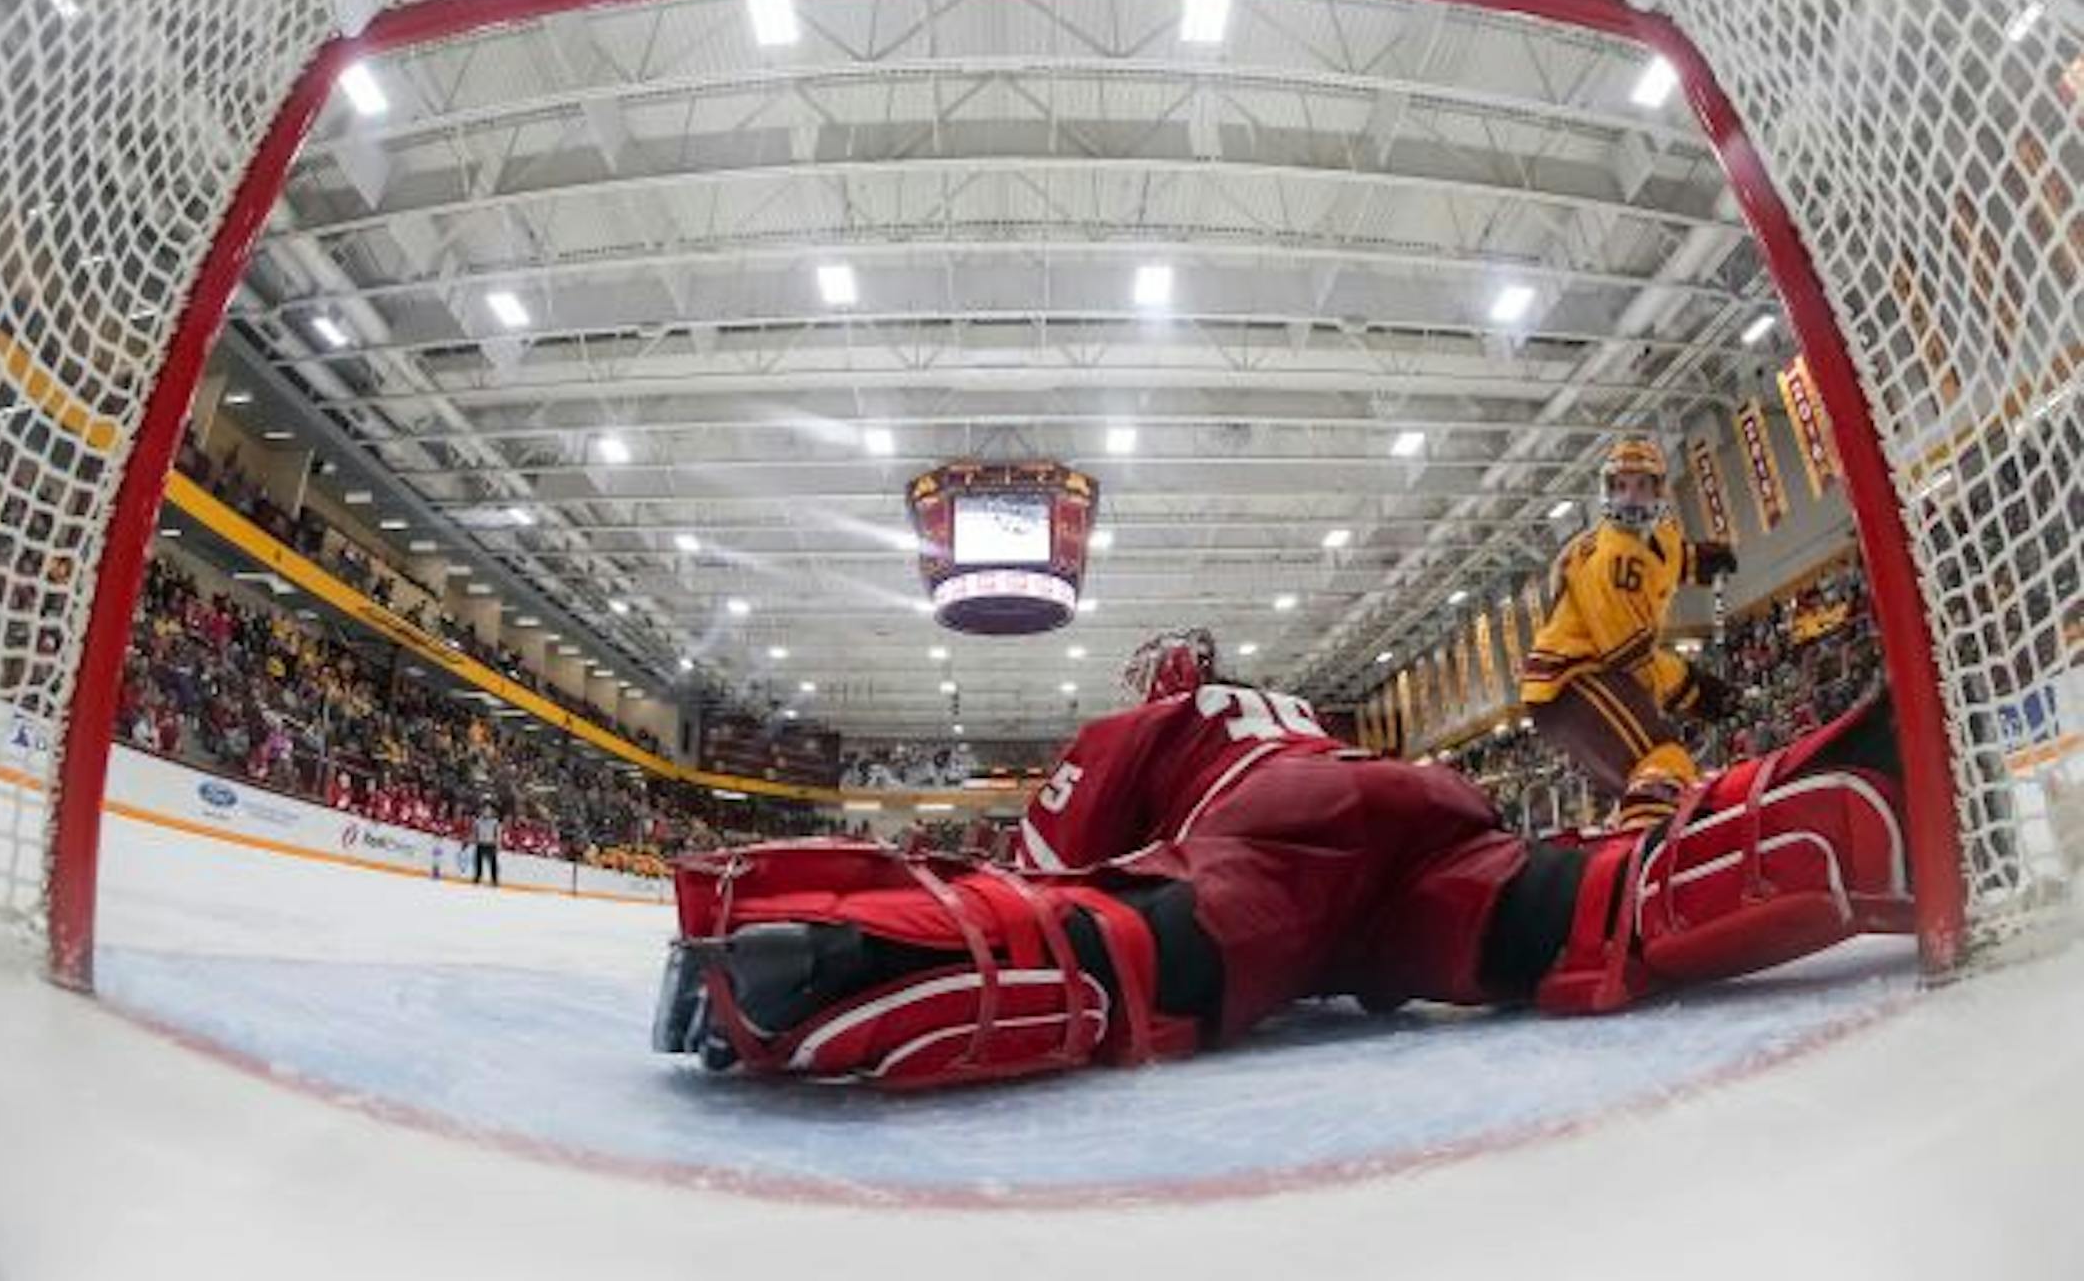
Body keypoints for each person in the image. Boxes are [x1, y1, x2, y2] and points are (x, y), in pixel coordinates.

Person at [652, 628, 1913, 1089]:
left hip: (1277, 834)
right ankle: (1853, 799)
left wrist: (981, 882)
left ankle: (810, 956)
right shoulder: (1283, 704)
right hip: (1413, 812)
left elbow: (1053, 864)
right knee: (1574, 910)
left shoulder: (1152, 724)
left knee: (1135, 945)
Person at [1519, 436, 1738, 827]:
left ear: (1658, 490)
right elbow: (1630, 658)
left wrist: (1700, 561)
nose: (1629, 497)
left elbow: (1667, 557)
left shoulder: (1659, 532)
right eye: (1620, 486)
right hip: (1570, 679)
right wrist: (1694, 689)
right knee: (1656, 759)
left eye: (1640, 485)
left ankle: (1639, 829)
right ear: (1607, 491)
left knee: (1649, 771)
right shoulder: (1615, 559)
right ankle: (1649, 854)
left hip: (1587, 673)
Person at [471, 800, 501, 887]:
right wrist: (474, 840)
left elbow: (498, 834)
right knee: (478, 862)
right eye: (485, 810)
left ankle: (494, 880)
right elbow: (475, 832)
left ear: (491, 812)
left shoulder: (495, 822)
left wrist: (498, 845)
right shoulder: (478, 821)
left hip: (490, 844)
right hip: (480, 843)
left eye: (488, 810)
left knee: (493, 863)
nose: (486, 812)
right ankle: (477, 877)